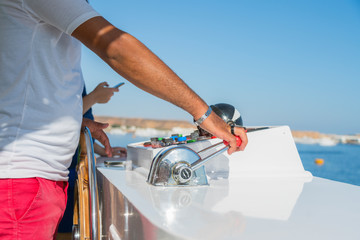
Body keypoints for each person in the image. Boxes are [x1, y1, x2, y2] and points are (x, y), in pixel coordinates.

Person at [0, 0, 247, 239]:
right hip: (21, 184)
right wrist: (204, 114)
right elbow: (117, 48)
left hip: (32, 183)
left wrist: (76, 122)